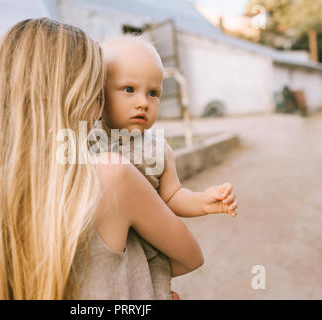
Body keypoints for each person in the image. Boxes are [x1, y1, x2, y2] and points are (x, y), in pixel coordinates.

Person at [0, 18, 203, 300]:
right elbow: (189, 257)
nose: (98, 111)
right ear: (70, 98)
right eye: (96, 96)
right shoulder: (111, 175)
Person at [94, 35, 239, 299]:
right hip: (100, 256)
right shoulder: (87, 140)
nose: (143, 102)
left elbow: (172, 195)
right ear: (98, 92)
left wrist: (202, 201)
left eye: (153, 93)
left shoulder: (158, 150)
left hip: (146, 258)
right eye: (129, 89)